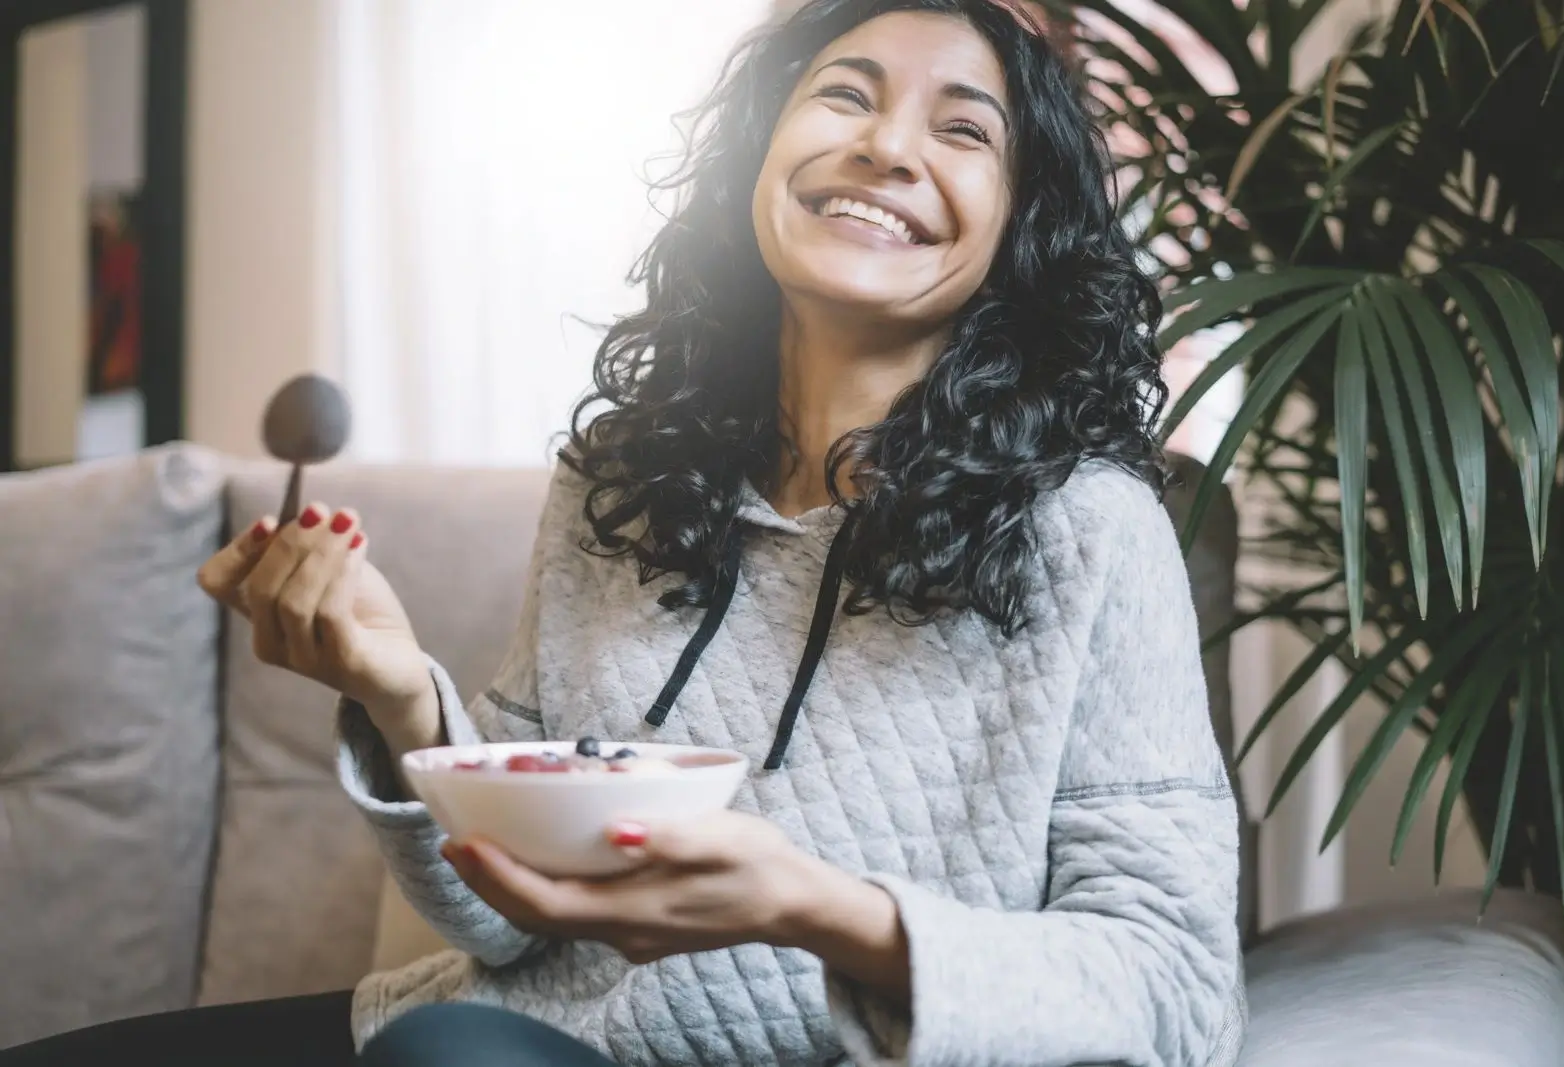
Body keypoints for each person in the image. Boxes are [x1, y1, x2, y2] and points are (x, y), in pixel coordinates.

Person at [1, 0, 1244, 1064]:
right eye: (843, 96)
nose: (882, 146)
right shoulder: (623, 482)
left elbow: (1176, 988)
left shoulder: (1091, 528)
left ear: (1022, 226)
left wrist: (826, 910)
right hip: (516, 1028)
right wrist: (402, 701)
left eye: (963, 128)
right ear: (760, 153)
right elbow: (508, 925)